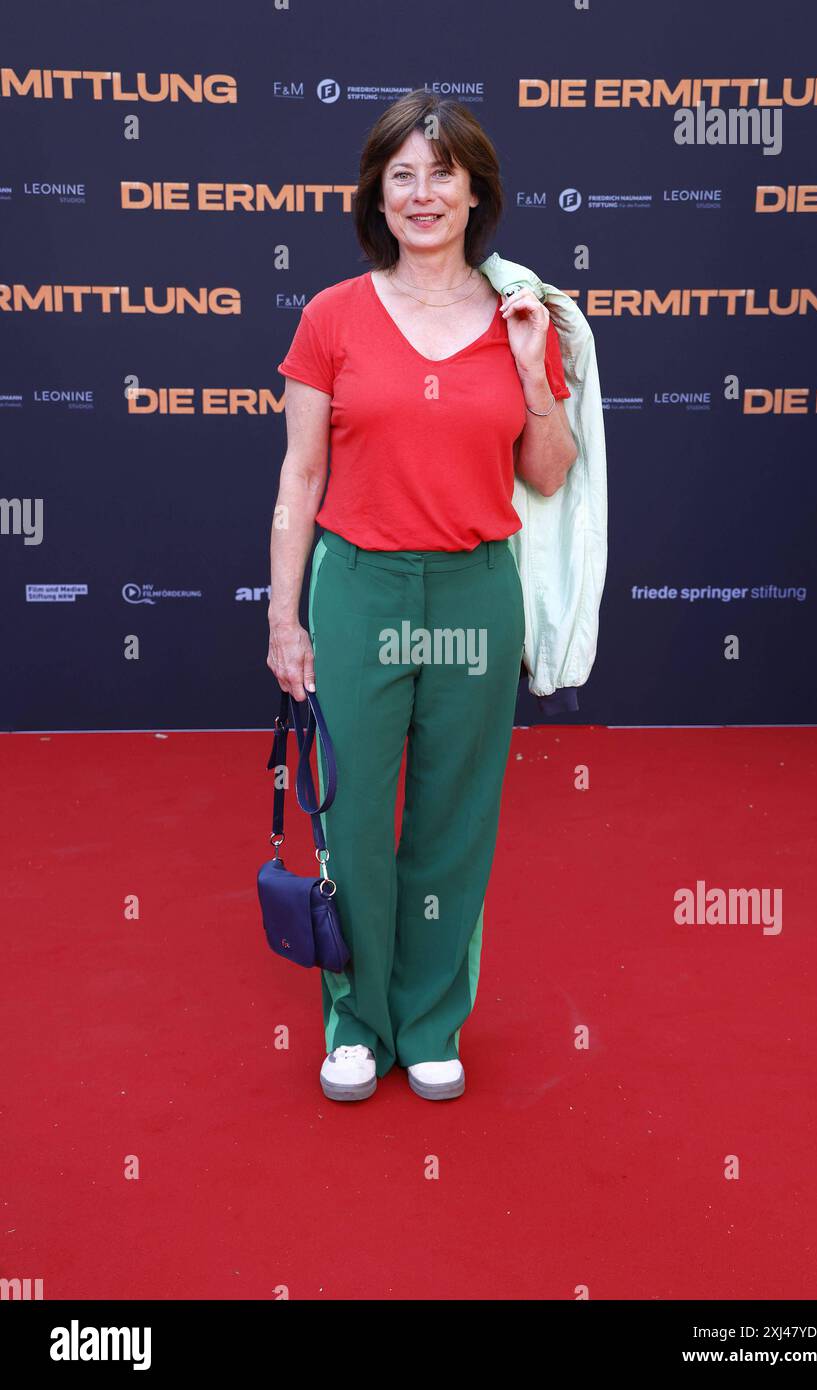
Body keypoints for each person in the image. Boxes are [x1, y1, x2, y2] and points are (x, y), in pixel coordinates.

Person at [267, 88, 576, 1103]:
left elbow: (547, 471)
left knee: (453, 815)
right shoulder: (331, 316)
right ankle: (357, 1021)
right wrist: (285, 619)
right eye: (403, 172)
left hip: (477, 591)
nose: (424, 191)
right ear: (377, 194)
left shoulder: (522, 315)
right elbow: (300, 480)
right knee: (351, 817)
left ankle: (432, 1016)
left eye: (443, 171)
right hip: (359, 586)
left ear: (475, 188)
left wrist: (534, 371)